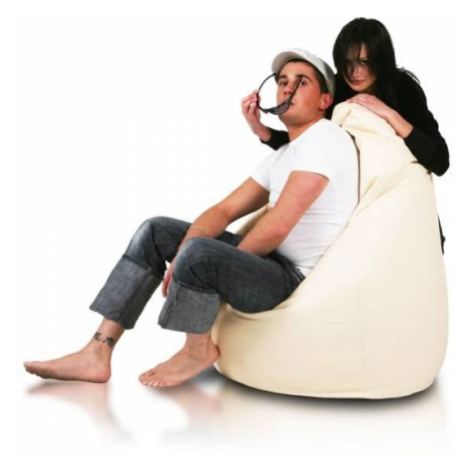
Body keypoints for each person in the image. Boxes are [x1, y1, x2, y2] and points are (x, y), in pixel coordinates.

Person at [24, 49, 358, 388]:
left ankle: (197, 350)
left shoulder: (325, 138)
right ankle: (97, 351)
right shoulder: (283, 155)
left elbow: (277, 228)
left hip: (288, 278)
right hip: (266, 263)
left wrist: (203, 258)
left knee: (200, 252)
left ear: (324, 100)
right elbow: (224, 210)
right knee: (155, 231)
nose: (287, 88)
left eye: (301, 83)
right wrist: (187, 247)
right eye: (282, 82)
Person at [242, 18, 449, 252]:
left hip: (403, 205)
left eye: (364, 62)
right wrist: (262, 130)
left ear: (381, 60)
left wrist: (388, 114)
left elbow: (440, 160)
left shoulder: (403, 88)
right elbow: (310, 144)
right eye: (347, 62)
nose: (355, 72)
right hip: (358, 216)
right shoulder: (336, 90)